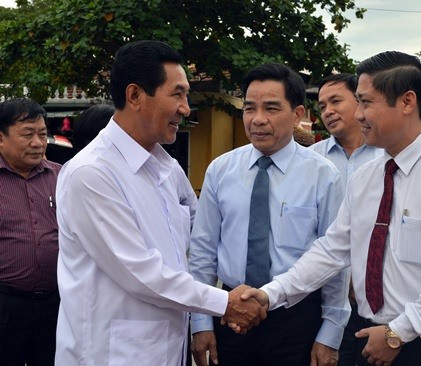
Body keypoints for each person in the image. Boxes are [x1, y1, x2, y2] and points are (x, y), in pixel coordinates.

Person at [241, 51, 421, 366]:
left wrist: (398, 331)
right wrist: (270, 294)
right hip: (369, 337)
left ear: (406, 102)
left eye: (366, 102)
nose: (358, 114)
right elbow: (331, 250)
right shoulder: (366, 177)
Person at [54, 40, 265, 366]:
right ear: (135, 95)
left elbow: (198, 238)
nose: (185, 107)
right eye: (177, 94)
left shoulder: (165, 167)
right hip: (111, 354)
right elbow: (140, 273)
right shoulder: (92, 174)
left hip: (166, 347)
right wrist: (225, 302)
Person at [189, 63, 349, 366]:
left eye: (272, 108)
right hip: (230, 315)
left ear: (298, 114)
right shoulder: (221, 170)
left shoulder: (323, 175)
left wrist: (330, 332)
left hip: (297, 319)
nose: (258, 119)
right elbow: (202, 251)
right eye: (250, 108)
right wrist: (201, 323)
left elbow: (335, 260)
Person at [310, 73, 383, 366]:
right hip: (322, 299)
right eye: (322, 105)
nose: (327, 111)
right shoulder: (311, 160)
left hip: (374, 301)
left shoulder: (386, 157)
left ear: (360, 101)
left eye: (336, 101)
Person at [0, 98, 61, 365]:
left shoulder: (62, 177)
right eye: (27, 134)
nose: (37, 142)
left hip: (55, 304)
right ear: (1, 138)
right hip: (6, 305)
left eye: (43, 134)